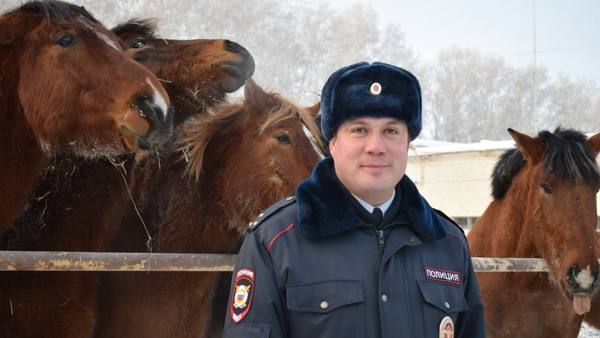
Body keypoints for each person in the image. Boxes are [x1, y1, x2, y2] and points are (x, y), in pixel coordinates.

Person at [222, 62, 485, 338]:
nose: (376, 147)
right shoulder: (275, 242)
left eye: (391, 131)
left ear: (408, 143)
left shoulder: (449, 243)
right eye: (359, 130)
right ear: (332, 142)